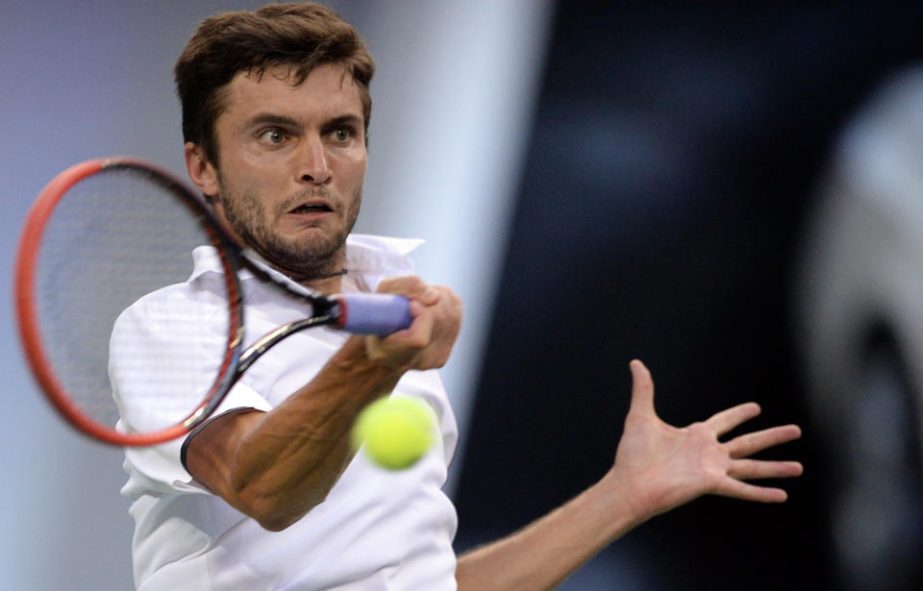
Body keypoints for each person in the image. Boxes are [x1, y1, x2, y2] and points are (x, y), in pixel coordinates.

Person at [110, 3, 804, 590]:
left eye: (340, 133)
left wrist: (622, 495)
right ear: (202, 164)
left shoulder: (394, 312)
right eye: (275, 135)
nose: (316, 166)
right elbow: (264, 489)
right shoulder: (167, 327)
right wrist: (371, 364)